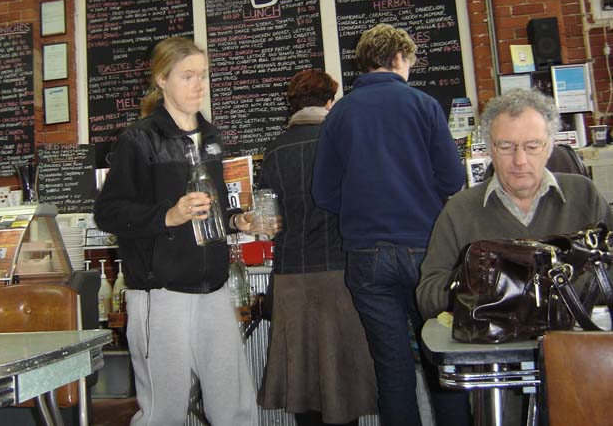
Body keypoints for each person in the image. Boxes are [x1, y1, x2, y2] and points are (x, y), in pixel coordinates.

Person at [93, 36, 259, 426]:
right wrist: (168, 215)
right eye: (188, 76)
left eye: (203, 75)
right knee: (163, 412)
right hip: (161, 293)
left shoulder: (211, 138)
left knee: (235, 407)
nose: (199, 85)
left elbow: (212, 206)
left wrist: (237, 220)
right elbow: (109, 213)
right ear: (162, 79)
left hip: (214, 288)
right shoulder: (139, 139)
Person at [311, 23, 466, 426]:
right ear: (398, 58)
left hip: (365, 255)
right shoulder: (424, 105)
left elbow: (323, 193)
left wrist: (361, 206)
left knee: (392, 368)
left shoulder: (340, 113)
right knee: (442, 360)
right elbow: (453, 180)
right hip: (425, 251)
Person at [417, 88, 613, 320]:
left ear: (550, 146)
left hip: (576, 338)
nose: (520, 160)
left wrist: (556, 288)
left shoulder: (584, 196)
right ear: (490, 149)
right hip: (494, 341)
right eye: (506, 147)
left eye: (532, 146)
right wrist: (479, 281)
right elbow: (427, 298)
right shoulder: (459, 211)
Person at [257, 69, 378, 426]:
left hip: (291, 278)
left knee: (302, 381)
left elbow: (266, 219)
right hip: (340, 273)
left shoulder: (274, 151)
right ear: (329, 102)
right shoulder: (343, 142)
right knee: (342, 382)